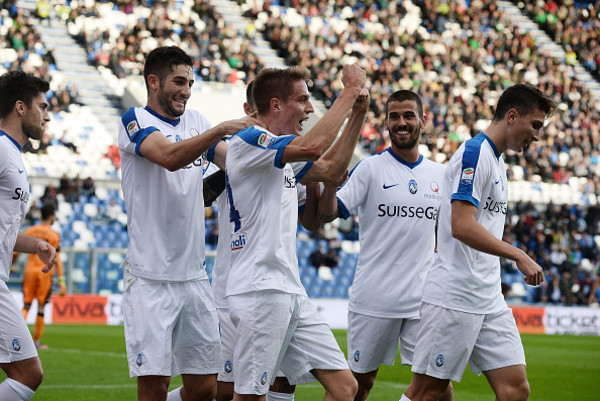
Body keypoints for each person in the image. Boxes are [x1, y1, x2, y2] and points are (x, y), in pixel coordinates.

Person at [212, 64, 368, 401]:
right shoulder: (250, 140)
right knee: (249, 394)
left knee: (345, 387)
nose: (310, 109)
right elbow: (314, 149)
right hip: (259, 290)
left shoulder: (283, 153)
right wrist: (349, 91)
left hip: (288, 288)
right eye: (303, 100)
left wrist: (358, 113)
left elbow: (331, 168)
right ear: (276, 105)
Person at [117, 46, 260, 401]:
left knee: (203, 387)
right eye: (179, 81)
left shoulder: (196, 120)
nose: (186, 90)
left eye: (191, 83)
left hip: (194, 278)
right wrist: (222, 129)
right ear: (153, 81)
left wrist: (273, 154)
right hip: (150, 278)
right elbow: (168, 157)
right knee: (154, 385)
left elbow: (232, 163)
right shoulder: (135, 119)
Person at [400, 84, 557, 401]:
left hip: (487, 296)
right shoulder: (476, 153)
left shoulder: (498, 161)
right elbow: (461, 225)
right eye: (536, 125)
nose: (537, 136)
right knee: (427, 393)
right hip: (454, 296)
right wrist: (518, 255)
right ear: (512, 116)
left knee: (515, 389)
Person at [317, 90, 452, 401]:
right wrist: (329, 185)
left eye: (408, 115)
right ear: (386, 123)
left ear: (423, 121)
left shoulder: (441, 175)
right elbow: (327, 214)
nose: (401, 122)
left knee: (439, 389)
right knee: (358, 386)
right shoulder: (370, 168)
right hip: (375, 296)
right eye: (394, 116)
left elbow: (452, 231)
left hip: (422, 299)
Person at [210, 81, 322, 401]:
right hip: (240, 284)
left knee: (281, 382)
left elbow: (312, 218)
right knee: (224, 390)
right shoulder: (241, 145)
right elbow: (220, 157)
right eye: (250, 110)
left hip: (280, 283)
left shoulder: (281, 159)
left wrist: (315, 177)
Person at [0, 70, 56, 401]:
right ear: (21, 108)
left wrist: (34, 244)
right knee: (28, 373)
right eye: (42, 106)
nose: (46, 116)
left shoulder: (15, 156)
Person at [17, 204, 66, 350]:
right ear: (51, 216)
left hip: (29, 271)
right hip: (45, 273)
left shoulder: (30, 230)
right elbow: (56, 259)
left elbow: (15, 251)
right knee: (41, 307)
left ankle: (17, 338)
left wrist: (11, 266)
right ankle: (36, 341)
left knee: (26, 305)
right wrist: (62, 281)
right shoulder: (53, 235)